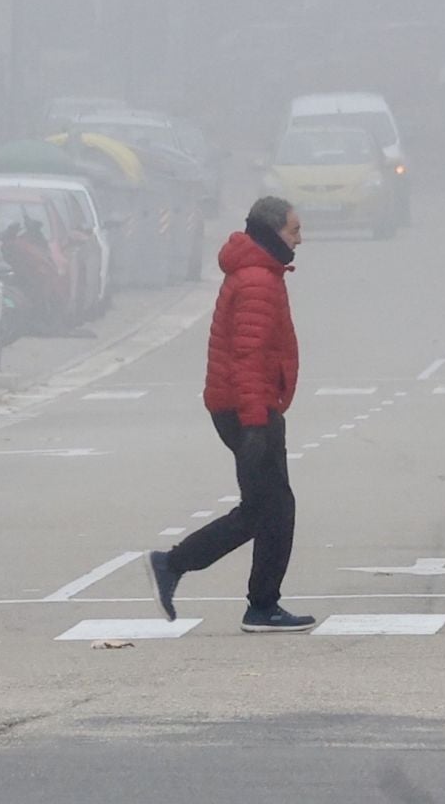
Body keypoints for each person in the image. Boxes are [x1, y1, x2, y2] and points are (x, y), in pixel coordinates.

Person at [146, 196, 313, 633]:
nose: (300, 239)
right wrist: (257, 423)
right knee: (273, 509)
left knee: (266, 508)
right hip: (248, 409)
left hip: (243, 406)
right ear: (271, 231)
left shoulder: (259, 273)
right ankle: (251, 602)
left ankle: (195, 574)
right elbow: (248, 357)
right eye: (294, 231)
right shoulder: (258, 279)